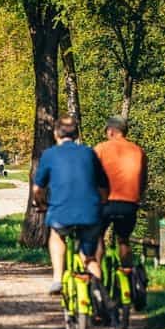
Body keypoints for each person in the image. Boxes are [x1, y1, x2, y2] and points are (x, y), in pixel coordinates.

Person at [32, 116, 109, 294]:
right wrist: (103, 202)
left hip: (61, 212)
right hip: (90, 212)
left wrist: (40, 203)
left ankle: (57, 279)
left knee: (57, 234)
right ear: (76, 134)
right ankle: (99, 294)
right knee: (89, 257)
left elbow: (38, 189)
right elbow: (103, 186)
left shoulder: (50, 154)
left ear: (56, 134)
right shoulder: (89, 153)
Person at [94, 116, 148, 266]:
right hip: (129, 204)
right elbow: (143, 181)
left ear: (111, 131)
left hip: (105, 203)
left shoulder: (100, 149)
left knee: (97, 237)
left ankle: (96, 274)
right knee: (124, 240)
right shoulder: (139, 151)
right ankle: (127, 274)